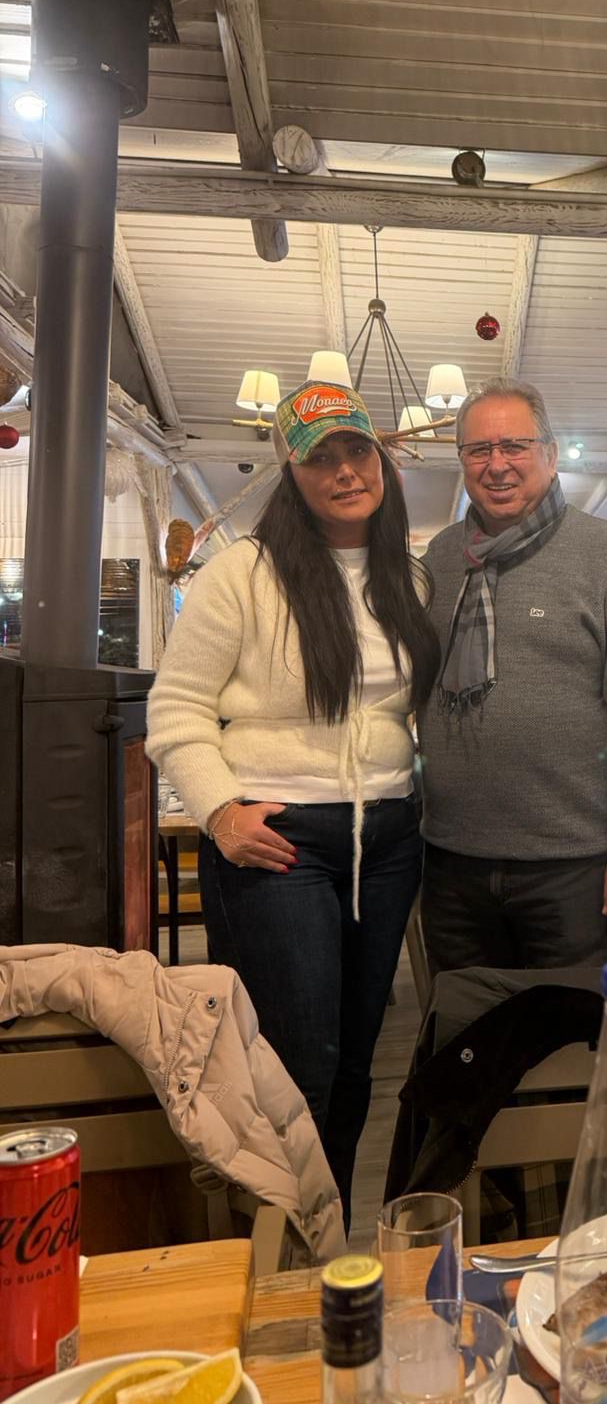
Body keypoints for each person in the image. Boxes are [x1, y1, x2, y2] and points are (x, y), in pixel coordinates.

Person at [147, 379, 440, 1223]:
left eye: (357, 450)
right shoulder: (242, 573)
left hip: (388, 835)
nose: (345, 471)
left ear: (380, 458)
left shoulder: (409, 579)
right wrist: (218, 811)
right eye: (321, 458)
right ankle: (281, 1246)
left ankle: (330, 1228)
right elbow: (176, 710)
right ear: (292, 471)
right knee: (296, 1063)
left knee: (356, 1062)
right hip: (279, 837)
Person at [418, 378, 607, 973]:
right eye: (479, 450)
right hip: (451, 860)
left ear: (551, 455)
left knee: (570, 1028)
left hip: (574, 866)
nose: (497, 464)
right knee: (468, 1026)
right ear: (461, 460)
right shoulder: (441, 559)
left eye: (515, 445)